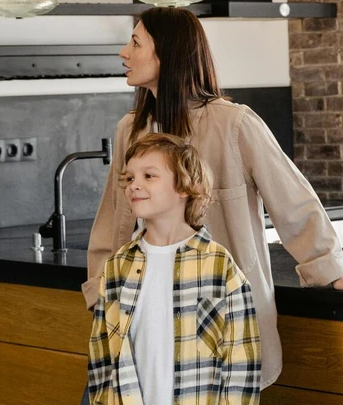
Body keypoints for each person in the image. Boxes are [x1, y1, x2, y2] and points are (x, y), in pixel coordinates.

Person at [84, 7, 343, 389]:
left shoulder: (234, 124)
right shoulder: (131, 129)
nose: (124, 52)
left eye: (136, 42)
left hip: (221, 317)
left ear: (169, 53)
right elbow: (115, 218)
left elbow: (294, 201)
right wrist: (99, 291)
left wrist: (331, 271)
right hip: (144, 314)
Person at [88, 133, 260, 405]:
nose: (134, 185)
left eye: (149, 176)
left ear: (184, 186)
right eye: (130, 178)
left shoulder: (218, 265)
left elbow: (241, 362)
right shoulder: (117, 267)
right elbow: (102, 355)